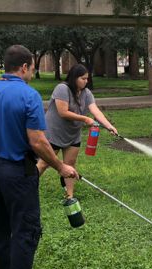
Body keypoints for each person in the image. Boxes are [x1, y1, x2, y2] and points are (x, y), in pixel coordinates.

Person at [0, 45, 78, 269]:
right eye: (31, 68)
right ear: (24, 67)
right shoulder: (28, 96)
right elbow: (38, 141)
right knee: (25, 229)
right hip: (18, 172)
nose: (31, 72)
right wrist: (61, 166)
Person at [37, 64, 118, 200]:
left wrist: (109, 126)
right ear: (75, 78)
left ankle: (69, 195)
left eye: (87, 79)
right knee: (44, 163)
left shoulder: (86, 93)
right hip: (54, 133)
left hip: (73, 134)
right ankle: (27, 189)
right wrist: (85, 119)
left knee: (70, 164)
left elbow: (95, 110)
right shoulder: (62, 89)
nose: (86, 81)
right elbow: (63, 112)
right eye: (83, 78)